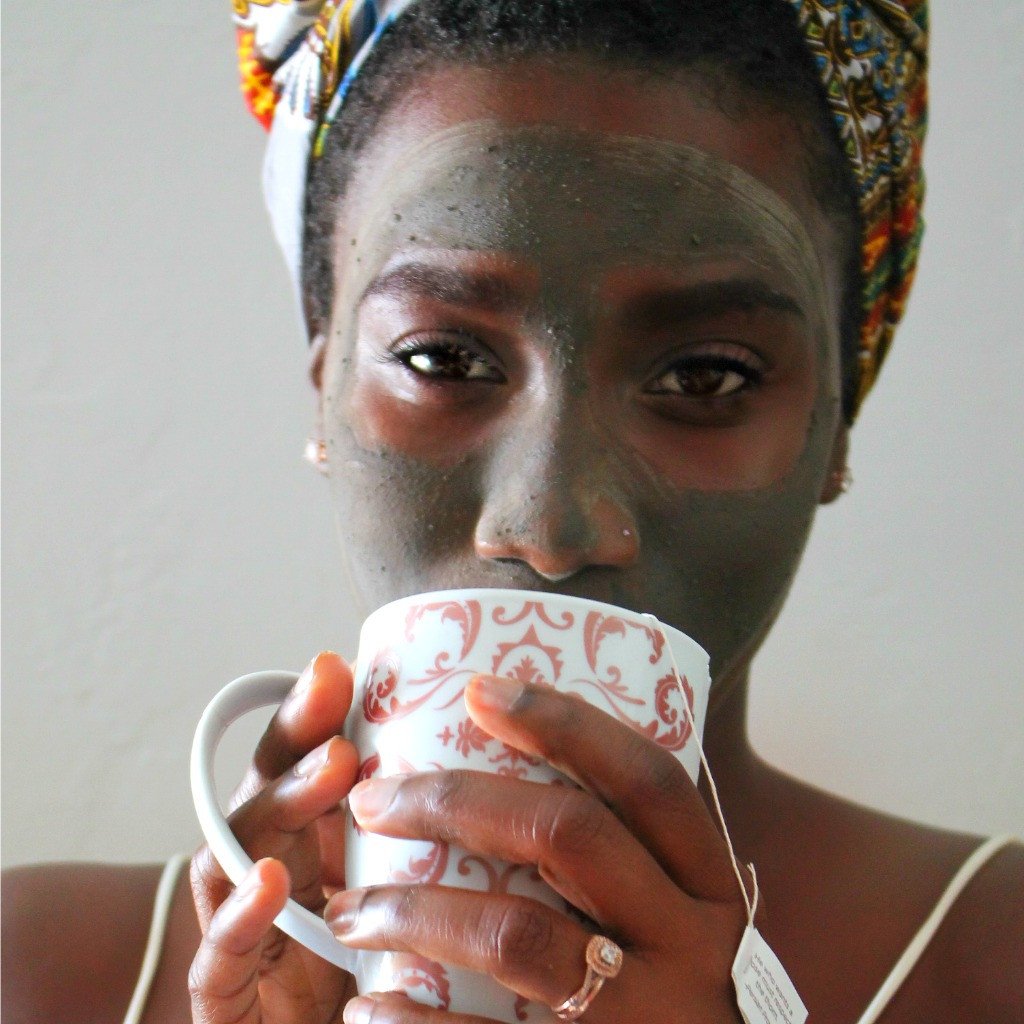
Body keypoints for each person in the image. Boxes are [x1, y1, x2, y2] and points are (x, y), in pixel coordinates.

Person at [3, 1, 1022, 1022]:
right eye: (442, 358)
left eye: (707, 375)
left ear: (838, 419)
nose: (549, 525)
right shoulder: (37, 973)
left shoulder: (994, 961)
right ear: (323, 386)